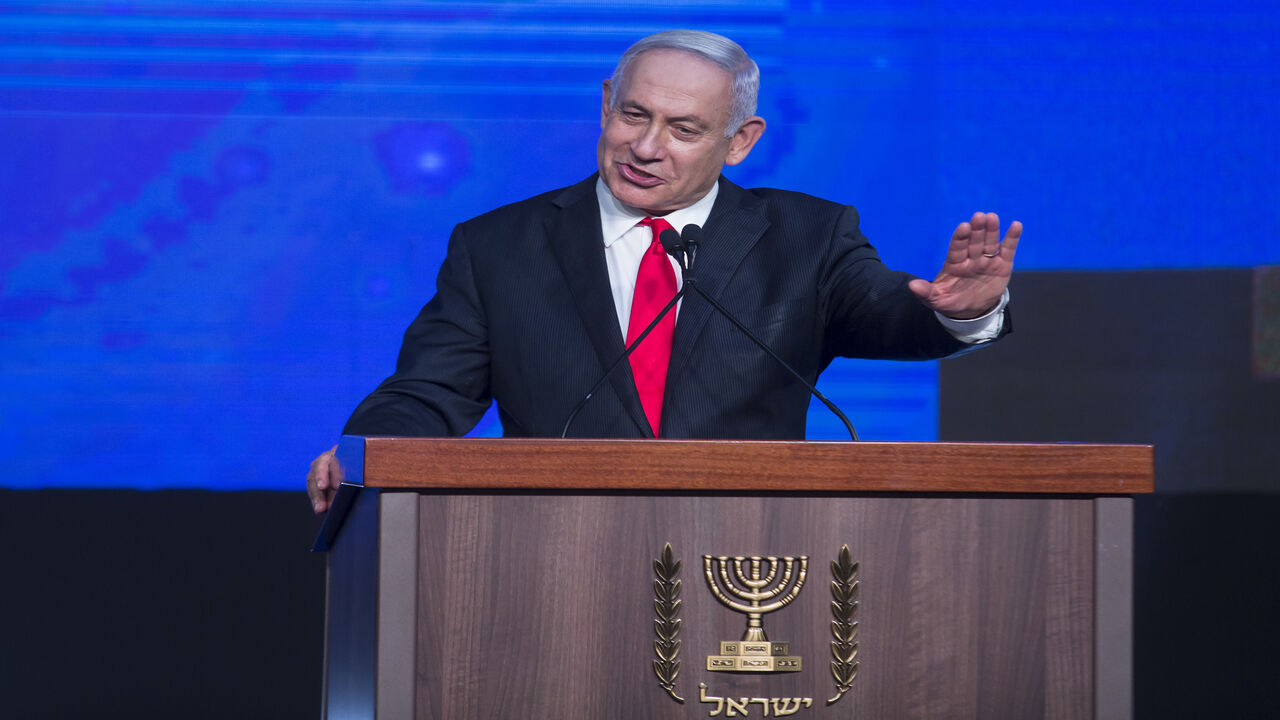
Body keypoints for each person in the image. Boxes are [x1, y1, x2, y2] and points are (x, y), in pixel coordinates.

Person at [307, 29, 1021, 513]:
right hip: (549, 549)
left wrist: (957, 309)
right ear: (605, 104)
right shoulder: (499, 245)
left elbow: (887, 313)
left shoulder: (806, 235)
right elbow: (428, 393)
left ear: (740, 142)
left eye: (683, 130)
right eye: (633, 115)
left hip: (756, 555)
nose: (646, 147)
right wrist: (362, 451)